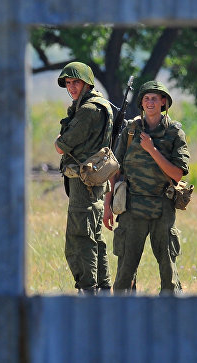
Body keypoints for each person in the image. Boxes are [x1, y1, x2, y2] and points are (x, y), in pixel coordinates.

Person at [103, 80, 190, 296]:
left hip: (162, 207)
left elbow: (177, 174)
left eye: (155, 98)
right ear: (141, 103)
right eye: (146, 98)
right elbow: (115, 169)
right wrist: (108, 205)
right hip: (132, 208)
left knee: (168, 274)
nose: (150, 102)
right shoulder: (131, 130)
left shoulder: (174, 133)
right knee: (124, 274)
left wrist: (152, 150)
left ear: (163, 102)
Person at [54, 62, 113, 294]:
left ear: (87, 83)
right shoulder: (101, 105)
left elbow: (61, 146)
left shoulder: (89, 109)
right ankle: (103, 289)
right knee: (95, 237)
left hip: (84, 182)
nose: (71, 87)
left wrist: (60, 139)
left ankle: (88, 290)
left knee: (80, 239)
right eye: (68, 83)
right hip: (96, 181)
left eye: (75, 82)